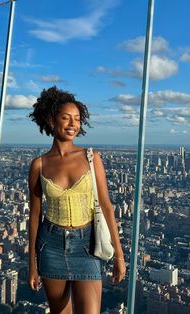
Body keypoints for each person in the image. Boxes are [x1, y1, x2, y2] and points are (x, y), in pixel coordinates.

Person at [28, 86, 126, 314]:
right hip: (50, 246)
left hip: (87, 246)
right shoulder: (39, 165)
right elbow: (34, 216)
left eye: (77, 119)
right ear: (51, 121)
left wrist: (119, 256)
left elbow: (107, 206)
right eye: (66, 118)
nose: (73, 124)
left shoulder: (91, 157)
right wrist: (31, 264)